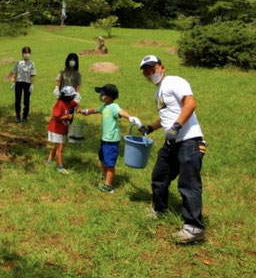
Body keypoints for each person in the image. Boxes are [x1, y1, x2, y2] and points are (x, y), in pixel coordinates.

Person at [138, 55, 206, 243]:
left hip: (189, 141)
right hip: (172, 143)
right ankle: (159, 209)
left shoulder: (175, 82)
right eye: (146, 71)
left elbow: (190, 103)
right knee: (159, 176)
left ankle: (194, 228)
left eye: (153, 69)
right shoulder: (158, 91)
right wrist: (151, 127)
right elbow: (168, 115)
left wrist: (176, 128)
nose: (150, 73)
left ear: (162, 67)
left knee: (188, 183)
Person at [80, 84, 140, 193]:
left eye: (103, 94)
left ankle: (108, 186)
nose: (101, 96)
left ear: (110, 96)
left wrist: (129, 117)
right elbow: (96, 110)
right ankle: (104, 175)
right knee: (102, 158)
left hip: (111, 140)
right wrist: (86, 111)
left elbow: (121, 112)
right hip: (104, 138)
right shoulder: (105, 106)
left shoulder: (114, 106)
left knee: (109, 163)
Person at [45, 86, 78, 174]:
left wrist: (77, 108)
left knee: (56, 147)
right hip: (56, 129)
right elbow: (56, 117)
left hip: (62, 129)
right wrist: (67, 117)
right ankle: (60, 168)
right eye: (72, 95)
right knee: (60, 148)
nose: (74, 97)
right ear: (69, 96)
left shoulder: (70, 103)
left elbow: (75, 104)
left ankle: (48, 162)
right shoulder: (60, 104)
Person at [54, 52, 82, 122]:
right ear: (67, 60)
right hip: (62, 97)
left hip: (71, 98)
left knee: (69, 115)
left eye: (74, 60)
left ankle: (67, 129)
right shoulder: (62, 71)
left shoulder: (77, 74)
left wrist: (77, 98)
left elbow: (78, 86)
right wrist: (56, 89)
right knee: (60, 114)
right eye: (70, 60)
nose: (72, 62)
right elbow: (58, 81)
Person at [11, 46, 36, 123]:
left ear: (30, 53)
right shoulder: (18, 63)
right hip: (19, 82)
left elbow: (32, 75)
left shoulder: (32, 63)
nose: (26, 54)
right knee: (17, 100)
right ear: (22, 53)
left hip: (27, 83)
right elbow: (15, 73)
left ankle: (24, 117)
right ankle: (18, 117)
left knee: (26, 101)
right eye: (25, 52)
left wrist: (32, 84)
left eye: (28, 52)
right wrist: (13, 82)